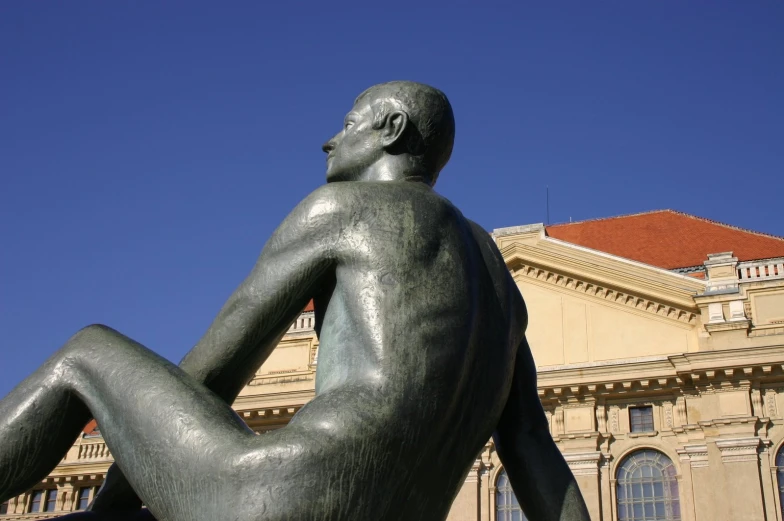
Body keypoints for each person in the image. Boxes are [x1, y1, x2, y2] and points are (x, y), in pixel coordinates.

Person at [0, 81, 590, 521]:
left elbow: (213, 370)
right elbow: (534, 451)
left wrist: (110, 515)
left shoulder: (342, 209)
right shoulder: (499, 282)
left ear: (390, 128)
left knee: (86, 352)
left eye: (349, 122)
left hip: (284, 495)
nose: (330, 139)